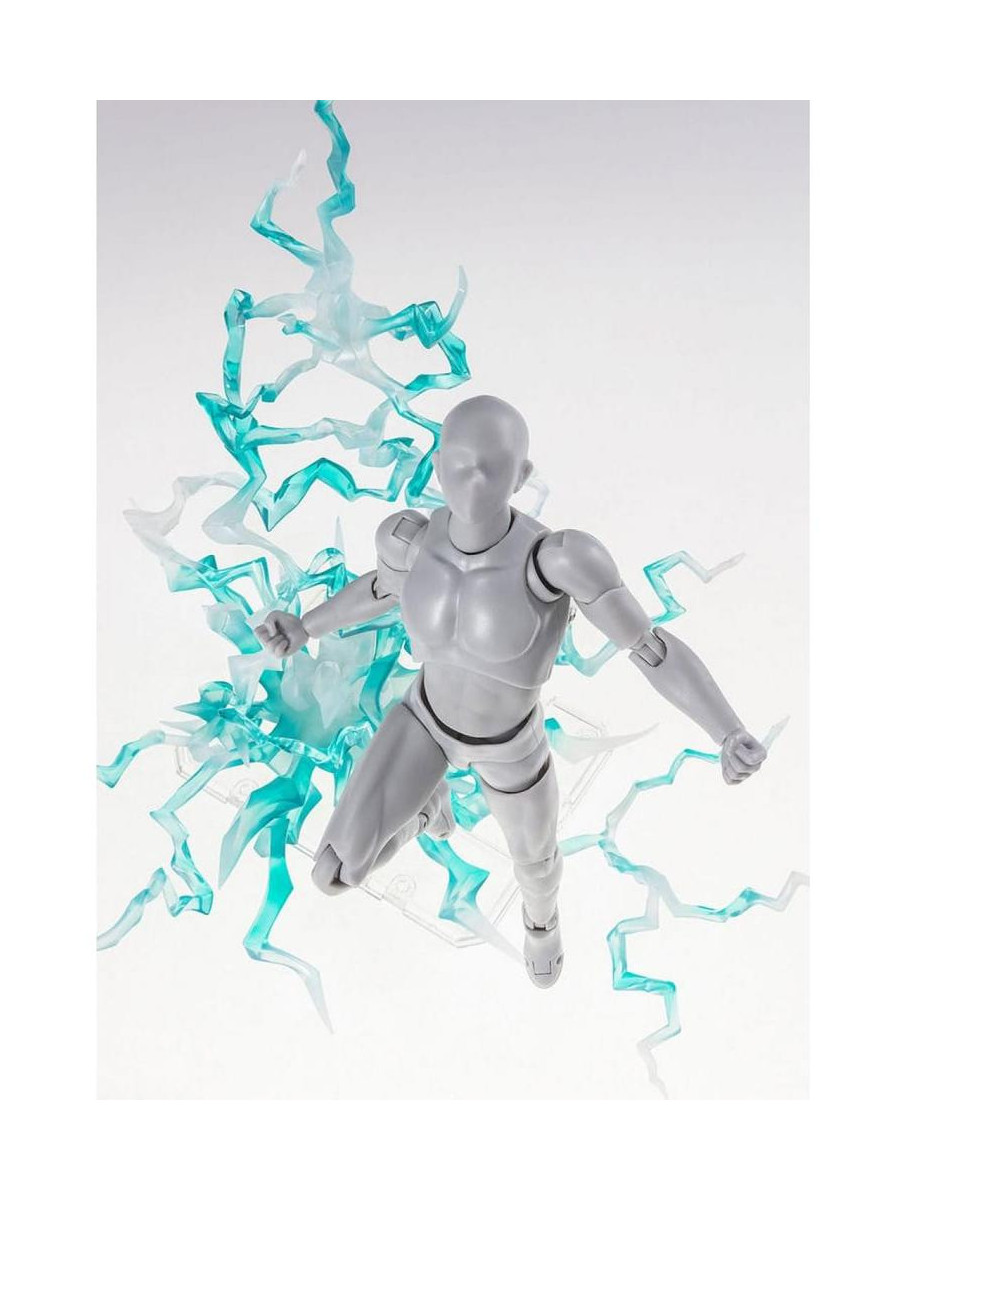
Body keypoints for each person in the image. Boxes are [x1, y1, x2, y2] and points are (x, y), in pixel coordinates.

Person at [256, 395, 767, 987]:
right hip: (424, 722)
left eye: (493, 465)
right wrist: (304, 627)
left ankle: (541, 928)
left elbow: (650, 648)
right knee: (334, 871)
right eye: (459, 461)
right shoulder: (408, 539)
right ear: (437, 464)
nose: (473, 477)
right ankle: (425, 811)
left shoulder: (558, 560)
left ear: (521, 476)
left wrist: (727, 730)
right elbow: (377, 590)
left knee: (536, 867)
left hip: (510, 746)